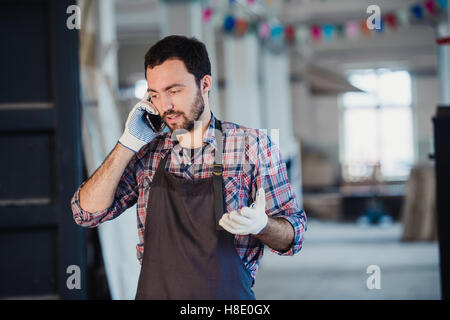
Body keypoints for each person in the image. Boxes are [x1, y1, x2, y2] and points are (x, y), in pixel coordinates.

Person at [71, 35, 306, 300]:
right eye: (155, 95)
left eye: (174, 91)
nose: (165, 106)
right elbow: (85, 213)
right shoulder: (148, 152)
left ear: (205, 84)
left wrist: (262, 225)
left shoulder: (252, 146)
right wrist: (127, 143)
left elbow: (293, 238)